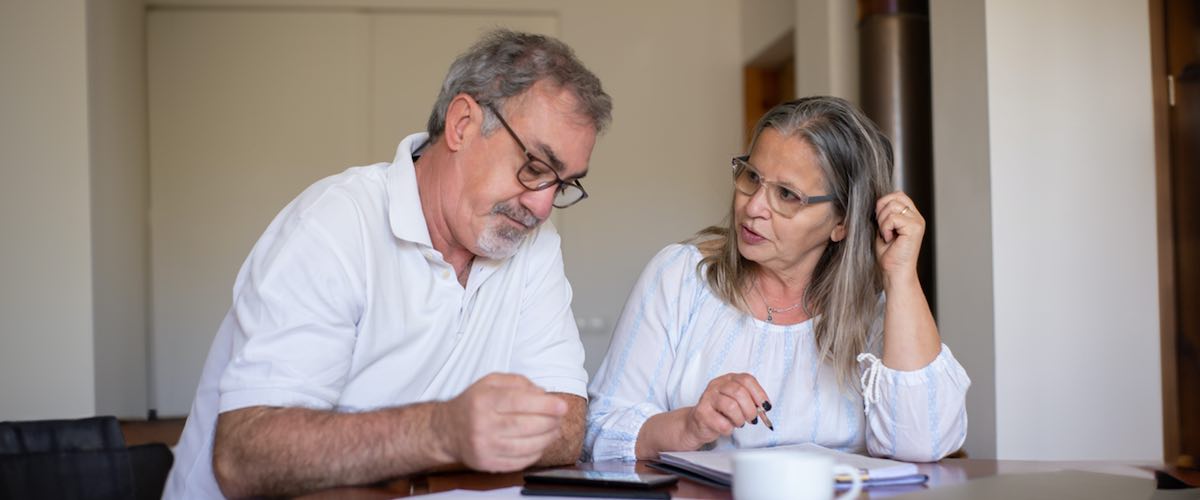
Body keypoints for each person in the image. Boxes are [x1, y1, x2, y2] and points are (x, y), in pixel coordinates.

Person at [164, 29, 612, 498]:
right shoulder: (336, 224)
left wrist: (428, 447)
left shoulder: (534, 242)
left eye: (560, 186)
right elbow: (246, 457)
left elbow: (565, 425)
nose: (541, 208)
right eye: (535, 167)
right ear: (462, 124)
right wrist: (441, 431)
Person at [584, 97, 968, 463]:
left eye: (787, 194)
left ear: (842, 222)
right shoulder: (680, 277)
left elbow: (925, 442)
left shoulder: (875, 311)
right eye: (752, 176)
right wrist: (690, 425)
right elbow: (600, 431)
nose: (752, 207)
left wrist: (901, 277)